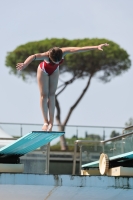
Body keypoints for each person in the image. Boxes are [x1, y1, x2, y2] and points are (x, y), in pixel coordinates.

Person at [16, 43, 109, 131]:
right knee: (44, 96)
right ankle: (45, 122)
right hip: (43, 70)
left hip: (55, 70)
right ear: (50, 57)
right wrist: (25, 64)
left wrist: (96, 47)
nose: (57, 62)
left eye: (58, 61)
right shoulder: (46, 55)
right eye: (54, 61)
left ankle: (51, 123)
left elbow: (79, 49)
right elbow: (33, 56)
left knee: (52, 95)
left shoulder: (64, 51)